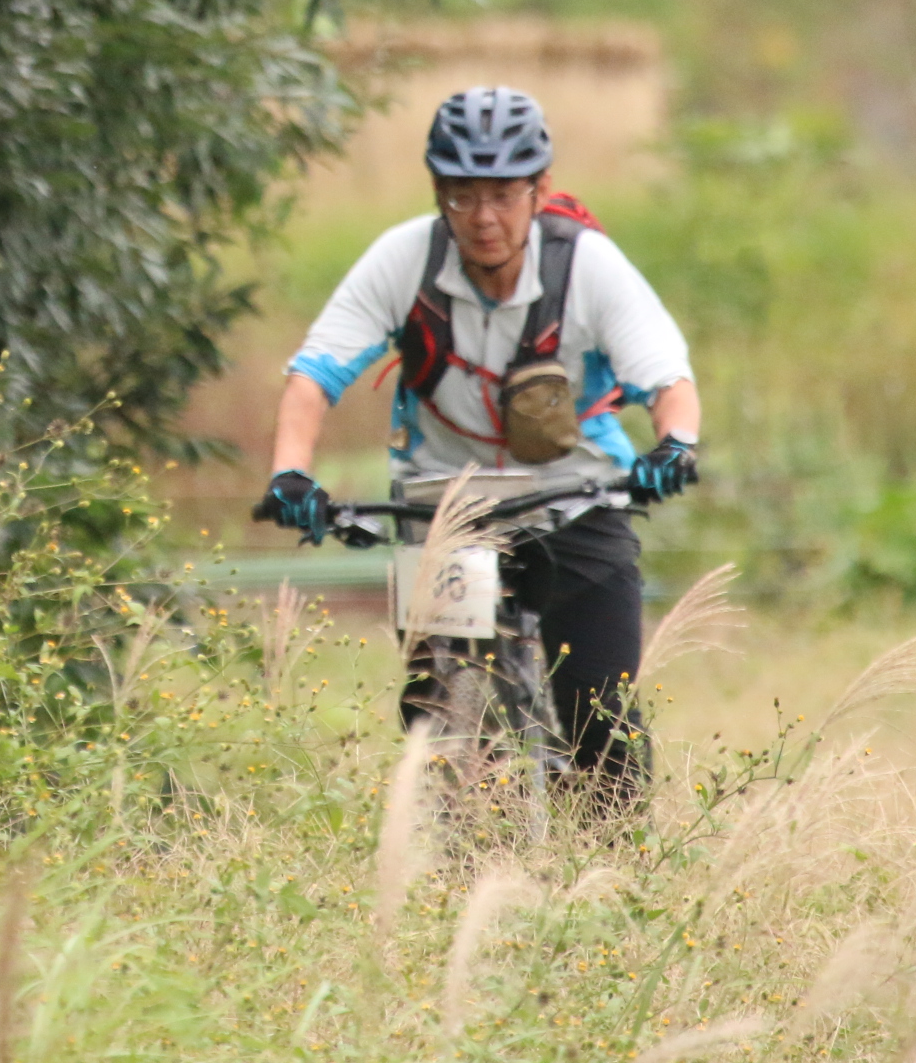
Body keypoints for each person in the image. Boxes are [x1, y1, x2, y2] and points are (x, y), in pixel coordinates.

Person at [253, 84, 700, 800]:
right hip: (445, 502)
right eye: (462, 195)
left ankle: (617, 857)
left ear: (539, 190)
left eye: (503, 194)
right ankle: (460, 848)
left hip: (576, 495)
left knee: (600, 715)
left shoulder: (586, 265)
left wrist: (673, 445)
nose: (484, 217)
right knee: (437, 720)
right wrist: (291, 475)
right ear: (438, 193)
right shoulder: (405, 259)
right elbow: (313, 378)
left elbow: (667, 379)